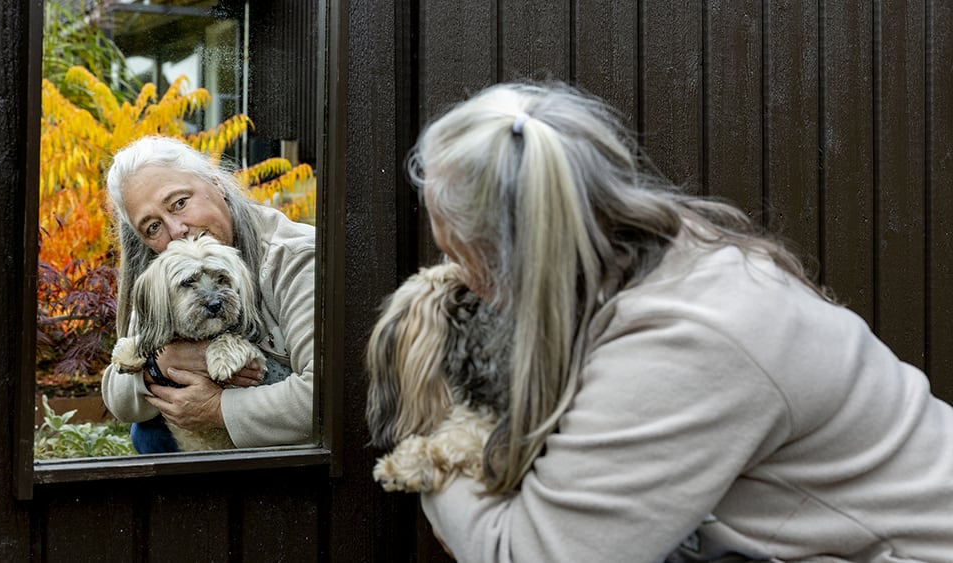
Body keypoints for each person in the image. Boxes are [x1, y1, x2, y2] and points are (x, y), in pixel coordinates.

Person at [405, 81, 953, 562]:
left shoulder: (688, 339)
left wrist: (433, 460)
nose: (456, 273)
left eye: (457, 251)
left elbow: (528, 554)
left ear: (515, 253)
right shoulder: (673, 258)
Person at [100, 135, 315, 452]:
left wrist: (217, 408)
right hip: (207, 457)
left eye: (180, 203)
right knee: (146, 428)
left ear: (218, 184)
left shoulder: (297, 260)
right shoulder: (162, 276)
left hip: (299, 462)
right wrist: (158, 365)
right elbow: (118, 397)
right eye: (153, 227)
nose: (176, 230)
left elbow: (328, 396)